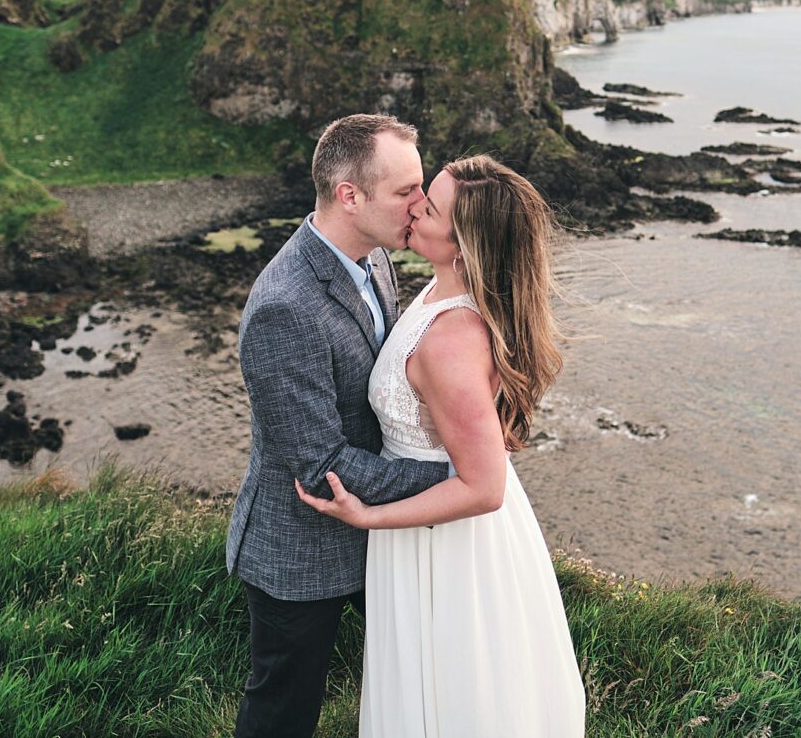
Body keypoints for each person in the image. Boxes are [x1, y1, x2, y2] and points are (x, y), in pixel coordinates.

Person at [297, 154, 586, 737]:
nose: (413, 207)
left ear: (461, 244)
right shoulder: (440, 288)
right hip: (428, 532)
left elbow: (483, 487)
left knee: (457, 692)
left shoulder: (451, 342)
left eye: (428, 206)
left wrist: (371, 515)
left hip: (447, 546)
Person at [227, 113, 452, 738]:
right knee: (283, 708)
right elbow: (322, 464)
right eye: (406, 190)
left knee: (410, 675)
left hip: (374, 530)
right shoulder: (284, 308)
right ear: (350, 196)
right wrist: (450, 480)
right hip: (299, 544)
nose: (421, 202)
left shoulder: (375, 256)